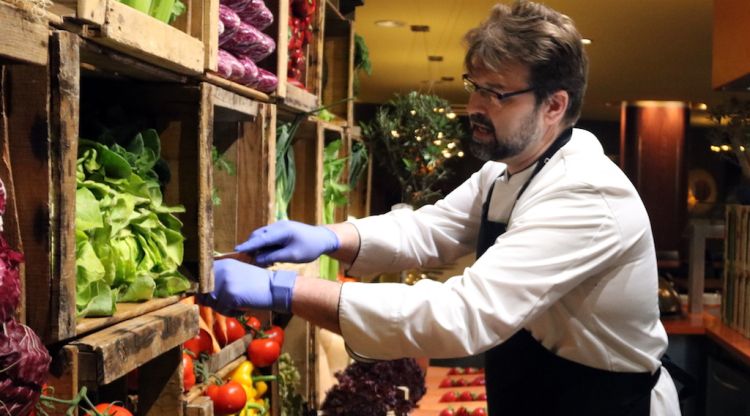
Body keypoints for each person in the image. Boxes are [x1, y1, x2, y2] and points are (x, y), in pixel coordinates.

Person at [200, 1, 681, 414]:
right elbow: (430, 230)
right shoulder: (505, 171)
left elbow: (465, 313)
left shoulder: (585, 192)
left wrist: (285, 290)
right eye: (474, 84)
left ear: (554, 105)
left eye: (495, 93)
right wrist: (329, 236)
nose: (474, 104)